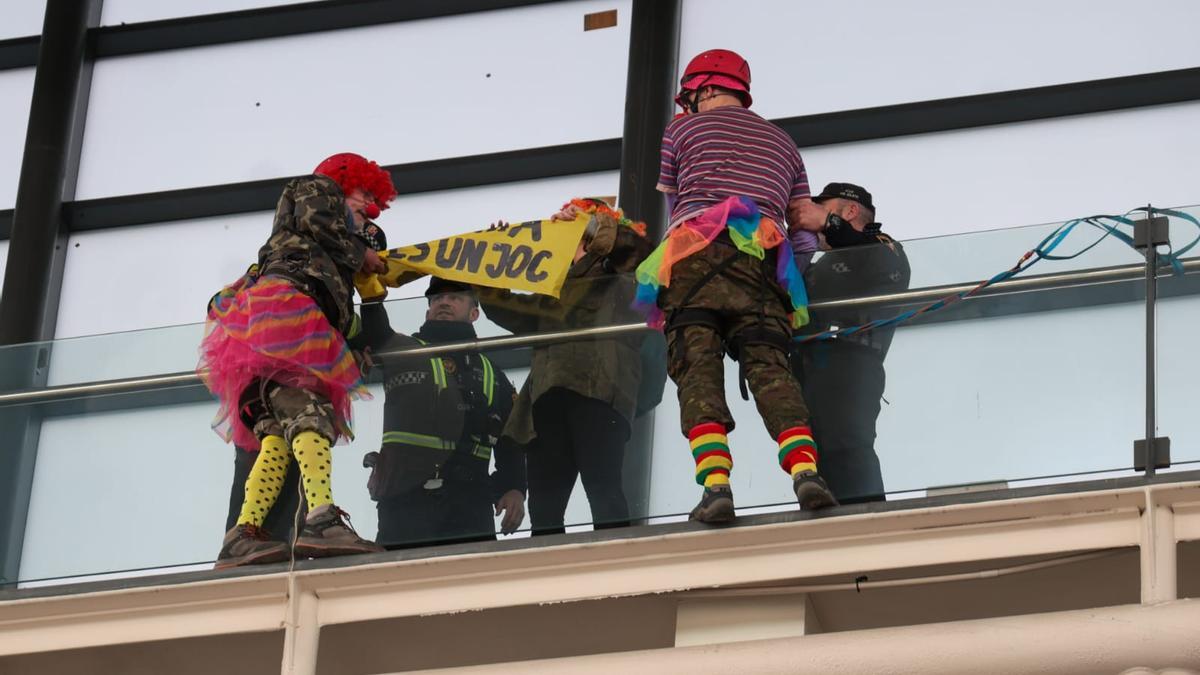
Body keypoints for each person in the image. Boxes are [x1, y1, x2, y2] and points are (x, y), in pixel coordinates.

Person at [634, 48, 837, 524]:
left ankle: (715, 485)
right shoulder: (784, 143)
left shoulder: (680, 130)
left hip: (693, 257)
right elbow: (802, 232)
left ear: (703, 88)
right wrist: (787, 277)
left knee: (697, 367)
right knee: (770, 367)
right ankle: (806, 473)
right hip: (762, 261)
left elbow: (677, 208)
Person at [202, 152, 394, 569]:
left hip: (262, 345)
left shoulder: (295, 261)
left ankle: (244, 533)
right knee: (311, 419)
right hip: (289, 328)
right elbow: (319, 219)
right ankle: (321, 518)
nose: (369, 207)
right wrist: (360, 254)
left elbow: (223, 301)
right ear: (344, 181)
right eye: (365, 194)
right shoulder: (318, 188)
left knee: (276, 439)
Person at [478, 199, 653, 535]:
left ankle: (618, 558)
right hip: (547, 399)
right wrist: (491, 259)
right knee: (545, 506)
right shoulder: (555, 290)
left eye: (571, 233)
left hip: (599, 394)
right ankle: (549, 562)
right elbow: (507, 309)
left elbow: (638, 250)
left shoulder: (620, 277)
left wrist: (590, 223)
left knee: (603, 490)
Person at [359, 276, 527, 547]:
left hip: (471, 505)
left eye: (455, 297)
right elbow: (375, 332)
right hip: (406, 502)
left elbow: (511, 439)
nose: (444, 302)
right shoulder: (402, 350)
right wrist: (369, 289)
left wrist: (514, 487)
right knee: (400, 573)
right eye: (437, 298)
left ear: (474, 313)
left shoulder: (493, 374)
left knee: (474, 575)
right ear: (427, 311)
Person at [792, 183, 911, 504]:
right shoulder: (820, 265)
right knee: (816, 456)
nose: (812, 215)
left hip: (851, 362)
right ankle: (827, 523)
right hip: (809, 368)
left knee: (847, 447)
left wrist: (827, 223)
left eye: (823, 207)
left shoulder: (883, 247)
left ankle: (868, 520)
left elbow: (881, 260)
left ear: (850, 210)